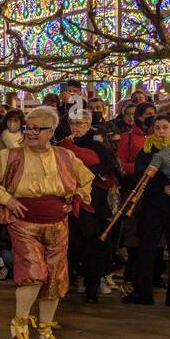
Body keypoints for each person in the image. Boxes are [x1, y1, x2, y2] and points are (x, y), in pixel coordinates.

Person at [0, 106, 94, 339]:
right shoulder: (11, 155)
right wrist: (7, 199)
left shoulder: (65, 156)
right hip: (23, 223)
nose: (30, 133)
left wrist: (76, 199)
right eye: (28, 128)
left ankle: (46, 327)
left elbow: (87, 180)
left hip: (58, 224)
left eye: (37, 129)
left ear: (51, 131)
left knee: (55, 276)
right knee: (32, 272)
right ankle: (19, 323)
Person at [124, 112, 170, 310]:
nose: (161, 131)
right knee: (146, 249)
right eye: (157, 128)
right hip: (153, 206)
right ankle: (142, 293)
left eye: (165, 127)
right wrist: (160, 188)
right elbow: (140, 176)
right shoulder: (147, 150)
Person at [59, 108, 120, 302]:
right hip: (70, 200)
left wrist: (85, 173)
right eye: (73, 123)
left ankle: (92, 285)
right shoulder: (64, 144)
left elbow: (111, 165)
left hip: (94, 202)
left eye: (80, 123)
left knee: (94, 244)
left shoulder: (97, 143)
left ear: (88, 125)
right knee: (72, 245)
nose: (76, 127)